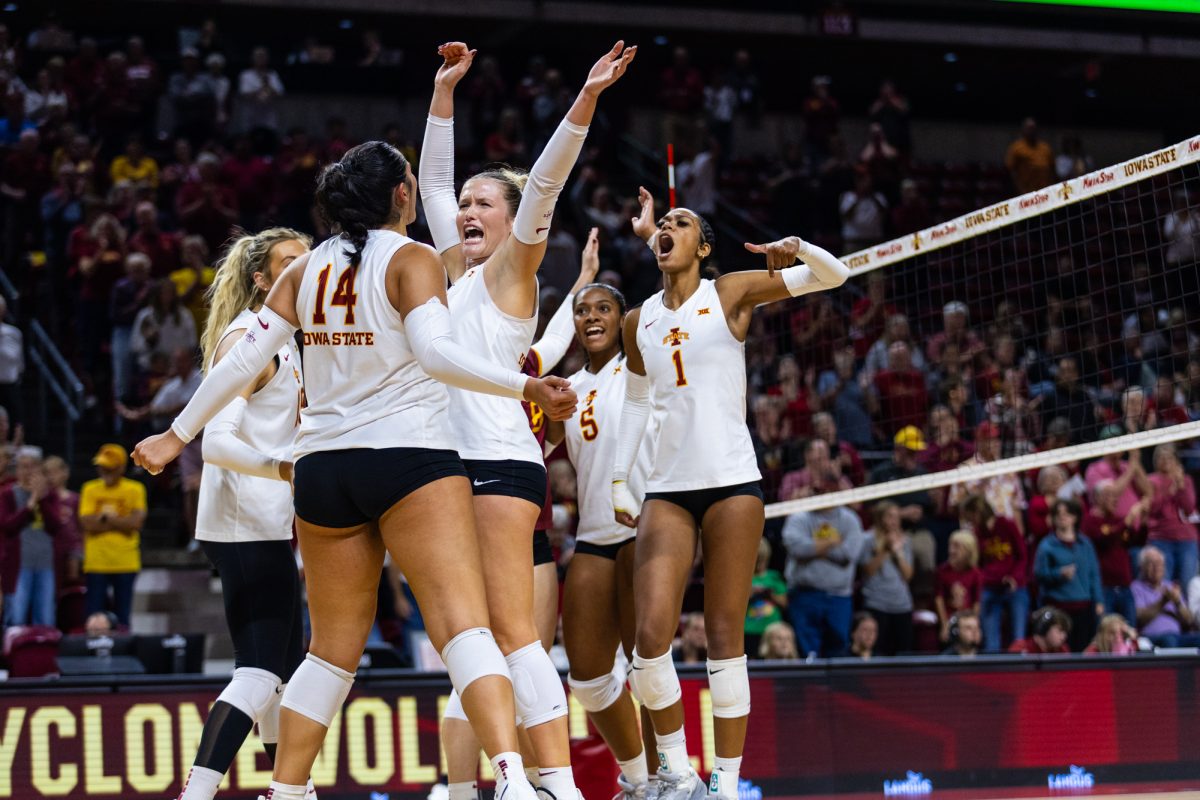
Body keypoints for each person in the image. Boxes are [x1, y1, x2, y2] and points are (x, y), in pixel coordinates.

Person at [132, 139, 579, 800]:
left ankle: (285, 793)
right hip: (408, 460)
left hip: (322, 471)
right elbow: (436, 356)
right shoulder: (414, 258)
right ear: (402, 196)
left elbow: (239, 359)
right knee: (465, 628)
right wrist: (525, 388)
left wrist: (176, 434)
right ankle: (513, 779)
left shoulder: (303, 267)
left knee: (328, 651)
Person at [418, 41, 635, 800]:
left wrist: (584, 99)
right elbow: (434, 183)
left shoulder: (512, 271)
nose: (468, 210)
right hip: (448, 468)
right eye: (467, 206)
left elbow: (544, 183)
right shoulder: (450, 273)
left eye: (487, 204)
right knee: (481, 639)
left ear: (514, 224)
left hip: (495, 462)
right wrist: (444, 94)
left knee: (511, 634)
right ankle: (522, 781)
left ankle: (549, 783)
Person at [610, 180, 849, 800]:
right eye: (664, 224)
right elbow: (635, 403)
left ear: (704, 245)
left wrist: (798, 249)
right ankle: (678, 769)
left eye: (682, 222)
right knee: (648, 642)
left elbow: (836, 275)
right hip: (667, 488)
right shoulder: (639, 320)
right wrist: (618, 478)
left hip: (733, 484)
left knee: (724, 638)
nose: (668, 227)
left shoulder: (730, 291)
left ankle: (727, 782)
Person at [177, 228, 313, 800]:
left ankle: (291, 791)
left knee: (282, 673)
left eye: (308, 262)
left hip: (263, 522)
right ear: (262, 279)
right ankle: (198, 792)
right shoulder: (249, 339)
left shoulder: (286, 340)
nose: (302, 271)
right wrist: (286, 469)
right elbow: (216, 444)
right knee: (259, 670)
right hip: (244, 522)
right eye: (288, 264)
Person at [540, 273, 655, 799]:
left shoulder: (639, 367)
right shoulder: (568, 390)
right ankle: (635, 777)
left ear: (622, 318)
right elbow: (537, 445)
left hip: (644, 528)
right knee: (586, 677)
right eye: (583, 310)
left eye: (603, 308)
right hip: (592, 534)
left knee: (648, 667)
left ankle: (664, 778)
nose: (592, 317)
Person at [79, 444, 145, 627]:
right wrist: (122, 522)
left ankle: (122, 653)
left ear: (122, 468)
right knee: (93, 616)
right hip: (96, 562)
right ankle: (92, 653)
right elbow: (86, 523)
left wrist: (105, 518)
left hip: (125, 561)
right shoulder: (89, 488)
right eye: (102, 466)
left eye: (109, 467)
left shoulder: (135, 489)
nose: (104, 471)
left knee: (122, 617)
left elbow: (137, 523)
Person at [0, 446, 66, 627]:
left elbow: (55, 526)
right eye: (22, 466)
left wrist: (41, 498)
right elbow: (8, 526)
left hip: (46, 564)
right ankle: (13, 655)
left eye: (32, 466)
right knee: (16, 618)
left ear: (39, 469)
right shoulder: (8, 494)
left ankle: (44, 654)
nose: (27, 471)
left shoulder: (50, 496)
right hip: (18, 566)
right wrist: (29, 505)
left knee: (45, 618)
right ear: (17, 469)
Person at [959, 494, 1028, 653]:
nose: (969, 522)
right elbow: (978, 565)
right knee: (991, 643)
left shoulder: (1007, 524)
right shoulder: (977, 534)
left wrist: (1014, 577)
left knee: (1018, 640)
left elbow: (1022, 556)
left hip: (1014, 586)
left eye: (970, 517)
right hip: (991, 587)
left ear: (977, 512)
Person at [1033, 499, 1103, 651]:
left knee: (1083, 648)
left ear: (1075, 517)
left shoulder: (1085, 544)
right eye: (1058, 514)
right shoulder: (1046, 545)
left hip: (1083, 607)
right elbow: (1038, 574)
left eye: (1066, 514)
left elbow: (1094, 574)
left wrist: (1099, 600)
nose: (1062, 517)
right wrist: (1058, 574)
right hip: (1058, 607)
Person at [858, 501, 914, 656]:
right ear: (880, 518)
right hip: (877, 603)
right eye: (889, 516)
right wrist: (884, 550)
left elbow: (908, 575)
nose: (894, 521)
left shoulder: (905, 541)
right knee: (878, 652)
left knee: (903, 653)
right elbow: (868, 570)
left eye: (896, 517)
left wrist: (898, 552)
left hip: (902, 604)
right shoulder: (867, 539)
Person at [1081, 480, 1139, 625]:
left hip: (1125, 587)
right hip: (1104, 588)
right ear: (1097, 497)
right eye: (1109, 495)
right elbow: (1104, 539)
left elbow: (1134, 541)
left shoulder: (1118, 520)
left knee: (1130, 634)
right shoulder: (1090, 521)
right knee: (1105, 635)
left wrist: (1142, 522)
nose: (1115, 499)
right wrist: (1127, 521)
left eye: (1115, 495)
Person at [1146, 443, 1198, 587]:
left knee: (1188, 585)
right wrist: (1171, 491)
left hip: (1187, 540)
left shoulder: (1185, 480)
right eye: (1161, 457)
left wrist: (1180, 485)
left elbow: (1189, 508)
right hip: (1161, 539)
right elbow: (1154, 508)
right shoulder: (1151, 480)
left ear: (1176, 460)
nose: (1165, 461)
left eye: (1169, 457)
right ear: (1155, 461)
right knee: (1162, 584)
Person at [1132, 546, 1200, 648]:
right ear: (1142, 567)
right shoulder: (1135, 587)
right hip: (1152, 638)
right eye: (1152, 563)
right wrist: (1162, 602)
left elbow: (1188, 621)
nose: (1157, 567)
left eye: (1160, 564)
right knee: (1169, 640)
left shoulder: (1170, 587)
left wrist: (1177, 603)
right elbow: (1140, 618)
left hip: (1178, 636)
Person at [934, 530, 982, 645]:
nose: (951, 550)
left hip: (967, 618)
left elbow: (977, 602)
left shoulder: (975, 573)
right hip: (949, 618)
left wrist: (974, 625)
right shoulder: (942, 571)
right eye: (950, 545)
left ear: (968, 550)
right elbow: (938, 599)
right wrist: (944, 625)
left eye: (957, 547)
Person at [745, 538, 788, 658]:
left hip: (772, 630)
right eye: (757, 560)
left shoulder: (774, 577)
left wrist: (770, 594)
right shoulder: (743, 578)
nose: (759, 565)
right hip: (749, 630)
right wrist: (751, 593)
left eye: (762, 561)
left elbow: (784, 603)